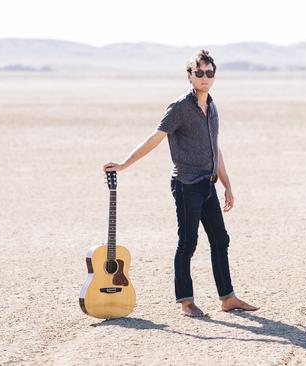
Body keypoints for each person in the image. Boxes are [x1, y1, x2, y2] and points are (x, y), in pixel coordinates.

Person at [103, 49, 258, 317]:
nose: (204, 78)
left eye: (209, 73)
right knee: (188, 242)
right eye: (199, 73)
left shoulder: (211, 106)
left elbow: (214, 148)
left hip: (208, 185)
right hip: (187, 185)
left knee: (220, 239)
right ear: (189, 75)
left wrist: (227, 185)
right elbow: (155, 137)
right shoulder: (180, 108)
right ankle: (186, 302)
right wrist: (124, 164)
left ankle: (228, 298)